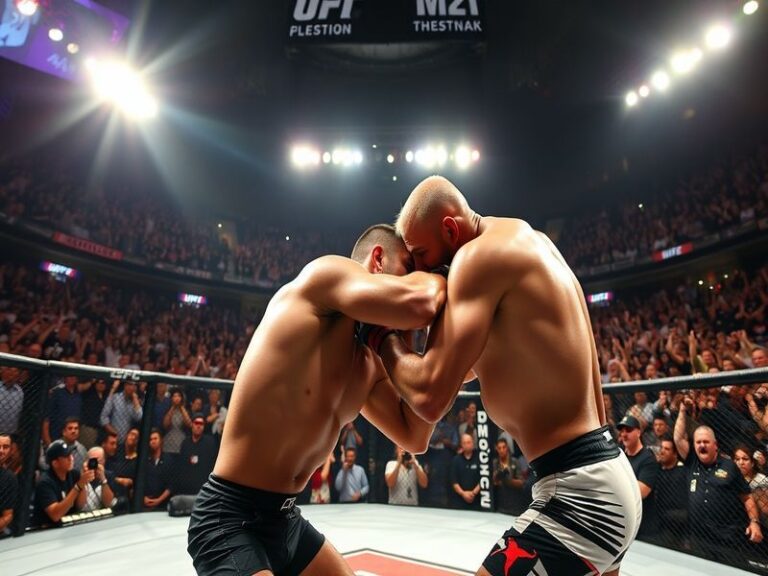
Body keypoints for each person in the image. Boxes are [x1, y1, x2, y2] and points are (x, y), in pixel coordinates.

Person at [374, 176, 641, 575]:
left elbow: (428, 395)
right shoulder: (527, 242)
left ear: (451, 230)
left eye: (422, 254)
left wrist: (380, 336)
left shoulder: (477, 258)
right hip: (604, 478)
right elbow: (445, 384)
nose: (422, 269)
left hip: (580, 495)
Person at [187, 224, 446, 576]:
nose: (415, 278)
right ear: (378, 259)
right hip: (230, 516)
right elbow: (422, 301)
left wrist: (435, 355)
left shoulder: (369, 363)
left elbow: (415, 434)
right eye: (410, 267)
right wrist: (455, 278)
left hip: (287, 520)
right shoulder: (326, 277)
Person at [616, 415, 659, 540]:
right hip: (623, 523)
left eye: (628, 430)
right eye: (622, 431)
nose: (624, 434)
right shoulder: (619, 456)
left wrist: (615, 486)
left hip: (643, 526)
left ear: (639, 432)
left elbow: (641, 492)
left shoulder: (648, 459)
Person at [450, 433, 481, 510]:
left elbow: (484, 478)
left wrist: (473, 493)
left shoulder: (480, 458)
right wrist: (463, 494)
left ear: (473, 443)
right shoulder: (456, 460)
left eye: (468, 442)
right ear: (461, 445)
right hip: (460, 500)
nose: (467, 445)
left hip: (477, 499)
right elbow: (454, 481)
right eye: (464, 443)